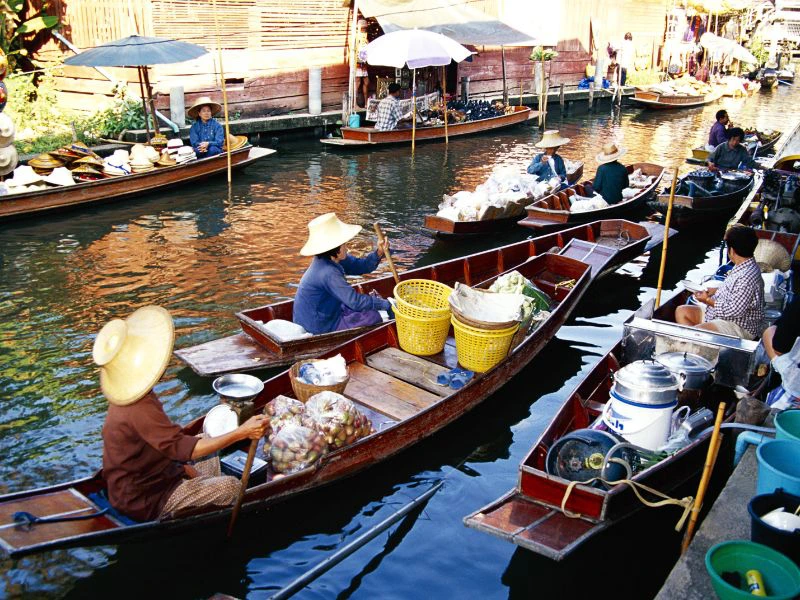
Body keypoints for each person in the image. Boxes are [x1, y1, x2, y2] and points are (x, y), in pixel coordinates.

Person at [97, 306, 269, 521]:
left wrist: (185, 468)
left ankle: (199, 484)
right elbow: (179, 449)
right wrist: (242, 432)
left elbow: (167, 446)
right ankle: (199, 492)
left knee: (207, 439)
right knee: (230, 486)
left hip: (159, 475)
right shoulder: (138, 407)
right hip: (148, 499)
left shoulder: (135, 397)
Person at [293, 213, 392, 334]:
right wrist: (386, 304)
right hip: (319, 325)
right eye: (344, 244)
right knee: (374, 315)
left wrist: (379, 252)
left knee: (371, 306)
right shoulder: (328, 272)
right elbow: (355, 302)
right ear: (336, 249)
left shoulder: (334, 258)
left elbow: (362, 266)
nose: (347, 248)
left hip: (329, 311)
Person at [675, 226, 764, 340]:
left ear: (732, 250)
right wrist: (716, 291)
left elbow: (734, 310)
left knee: (695, 334)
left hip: (739, 325)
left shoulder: (747, 276)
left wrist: (707, 300)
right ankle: (699, 344)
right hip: (723, 316)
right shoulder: (743, 265)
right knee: (682, 311)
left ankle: (697, 343)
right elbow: (737, 292)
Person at [355, 19, 370, 108]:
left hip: (364, 64)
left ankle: (365, 103)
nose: (364, 31)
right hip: (357, 63)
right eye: (363, 29)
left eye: (365, 29)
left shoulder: (366, 40)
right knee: (357, 83)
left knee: (366, 82)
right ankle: (355, 103)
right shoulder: (356, 39)